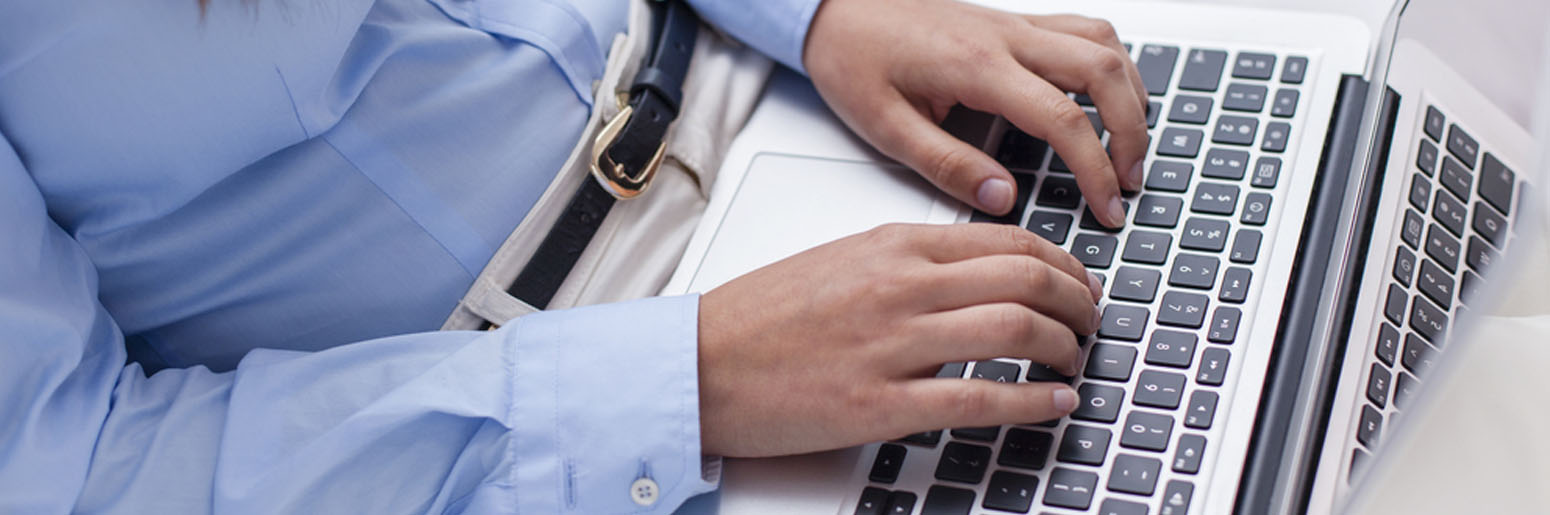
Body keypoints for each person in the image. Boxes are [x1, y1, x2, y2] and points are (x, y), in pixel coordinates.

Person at [0, 0, 1147, 512]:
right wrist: (680, 381)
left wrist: (820, 13)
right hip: (576, 418)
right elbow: (64, 470)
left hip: (785, 77)